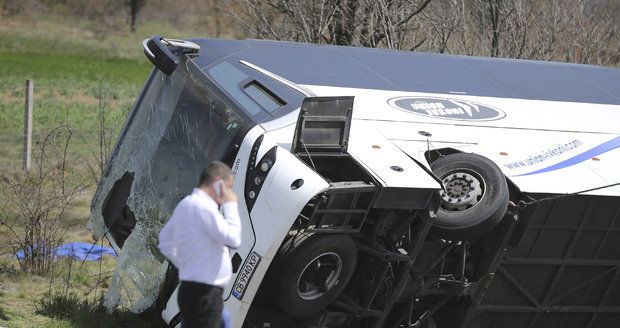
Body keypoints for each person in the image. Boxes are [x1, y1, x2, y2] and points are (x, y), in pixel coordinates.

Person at [158, 161, 242, 328]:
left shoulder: (187, 204)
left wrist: (186, 265)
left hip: (194, 290)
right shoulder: (204, 208)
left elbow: (164, 241)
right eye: (228, 187)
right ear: (218, 184)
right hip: (204, 295)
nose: (229, 192)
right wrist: (231, 204)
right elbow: (234, 239)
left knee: (224, 320)